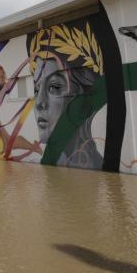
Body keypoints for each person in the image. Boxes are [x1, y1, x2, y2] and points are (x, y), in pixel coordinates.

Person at [27, 24, 104, 169]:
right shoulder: (54, 165)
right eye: (36, 90)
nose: (39, 103)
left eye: (54, 87)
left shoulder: (93, 172)